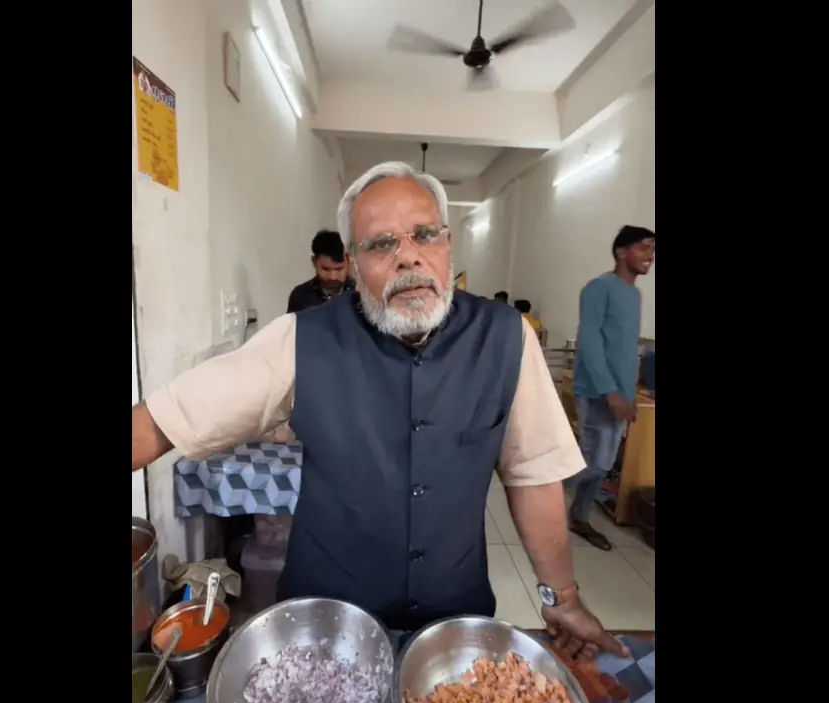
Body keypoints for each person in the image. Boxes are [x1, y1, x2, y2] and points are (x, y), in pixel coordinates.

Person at [132, 161, 629, 660]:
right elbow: (161, 422)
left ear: (448, 244)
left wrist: (562, 598)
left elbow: (533, 474)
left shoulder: (506, 337)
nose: (408, 256)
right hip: (324, 622)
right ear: (352, 263)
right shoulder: (300, 340)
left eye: (424, 235)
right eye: (381, 243)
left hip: (452, 620)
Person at [566, 225, 655, 551]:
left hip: (620, 395)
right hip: (596, 392)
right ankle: (538, 490)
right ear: (621, 251)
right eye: (644, 247)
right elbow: (589, 343)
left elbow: (623, 349)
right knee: (597, 462)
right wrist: (611, 393)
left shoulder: (634, 295)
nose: (650, 255)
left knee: (602, 463)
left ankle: (578, 517)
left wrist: (629, 396)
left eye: (652, 249)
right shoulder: (598, 288)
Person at [286, 229, 354, 313]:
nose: (333, 277)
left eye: (339, 269)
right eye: (326, 269)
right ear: (314, 261)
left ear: (348, 260)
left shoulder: (360, 292)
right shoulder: (300, 296)